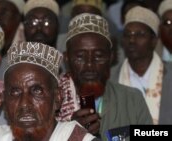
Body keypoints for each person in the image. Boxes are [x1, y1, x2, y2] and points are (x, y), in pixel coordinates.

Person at [0, 41, 99, 141]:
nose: (24, 104)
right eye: (15, 92)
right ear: (4, 100)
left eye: (37, 91)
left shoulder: (76, 138)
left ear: (57, 98)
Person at [56, 13, 153, 141]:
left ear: (110, 58)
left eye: (98, 56)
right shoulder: (52, 102)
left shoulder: (132, 99)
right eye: (80, 56)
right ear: (67, 58)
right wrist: (69, 131)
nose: (89, 65)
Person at [111, 6, 172, 125]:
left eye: (140, 34)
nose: (132, 40)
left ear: (154, 40)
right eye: (128, 34)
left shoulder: (170, 73)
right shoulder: (111, 77)